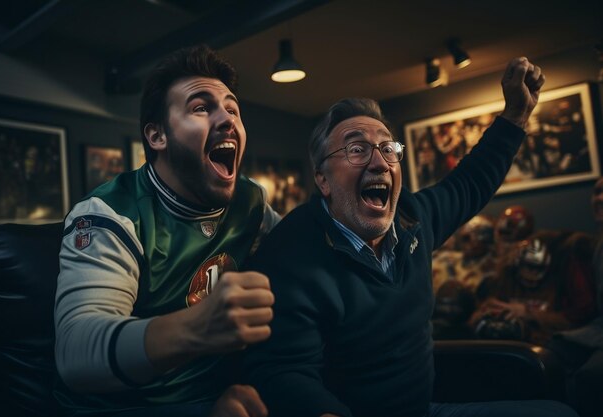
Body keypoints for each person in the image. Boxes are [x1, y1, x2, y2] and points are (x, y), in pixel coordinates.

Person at [243, 58, 578, 417]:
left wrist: (516, 113)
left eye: (388, 148)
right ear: (322, 179)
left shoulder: (412, 218)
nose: (380, 162)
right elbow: (285, 373)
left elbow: (470, 182)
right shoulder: (289, 253)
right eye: (356, 149)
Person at [54, 45, 279, 417]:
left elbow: (307, 255)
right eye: (201, 107)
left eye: (232, 109)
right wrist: (196, 328)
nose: (227, 119)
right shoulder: (112, 213)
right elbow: (77, 353)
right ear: (157, 136)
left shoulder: (250, 203)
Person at [546, 176, 603, 417]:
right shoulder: (597, 244)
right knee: (546, 353)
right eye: (596, 192)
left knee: (590, 376)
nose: (599, 199)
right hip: (597, 328)